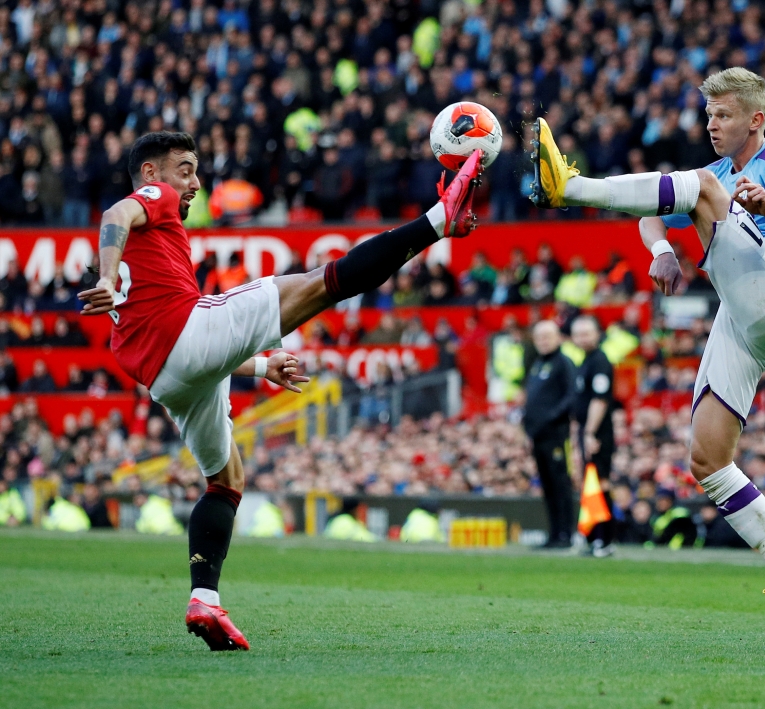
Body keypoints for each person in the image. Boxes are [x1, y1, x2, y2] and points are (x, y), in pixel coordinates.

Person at [78, 132, 484, 651]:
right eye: (185, 169)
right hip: (186, 331)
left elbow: (195, 355)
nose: (195, 182)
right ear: (152, 174)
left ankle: (205, 598)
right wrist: (106, 276)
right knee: (324, 282)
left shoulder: (144, 268)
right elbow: (115, 213)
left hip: (167, 378)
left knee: (226, 480)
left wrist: (261, 365)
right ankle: (437, 222)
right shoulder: (150, 199)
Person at [530, 67, 765, 646]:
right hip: (741, 318)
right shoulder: (714, 177)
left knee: (698, 186)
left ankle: (570, 188)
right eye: (708, 115)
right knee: (707, 460)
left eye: (724, 115)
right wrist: (661, 249)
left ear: (756, 120)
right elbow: (650, 211)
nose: (711, 125)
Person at [522, 320, 575, 548]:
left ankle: (565, 534)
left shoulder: (563, 363)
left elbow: (571, 396)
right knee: (547, 485)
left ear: (558, 338)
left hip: (556, 435)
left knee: (560, 483)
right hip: (538, 435)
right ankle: (554, 533)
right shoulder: (537, 364)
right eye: (539, 337)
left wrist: (551, 417)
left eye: (547, 337)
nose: (543, 342)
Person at [570, 315, 616, 557]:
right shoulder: (586, 361)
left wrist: (589, 432)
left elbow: (600, 400)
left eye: (587, 333)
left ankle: (604, 540)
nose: (582, 338)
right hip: (586, 430)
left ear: (597, 334)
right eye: (578, 334)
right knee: (591, 482)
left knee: (600, 482)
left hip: (598, 431)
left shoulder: (599, 361)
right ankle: (593, 537)